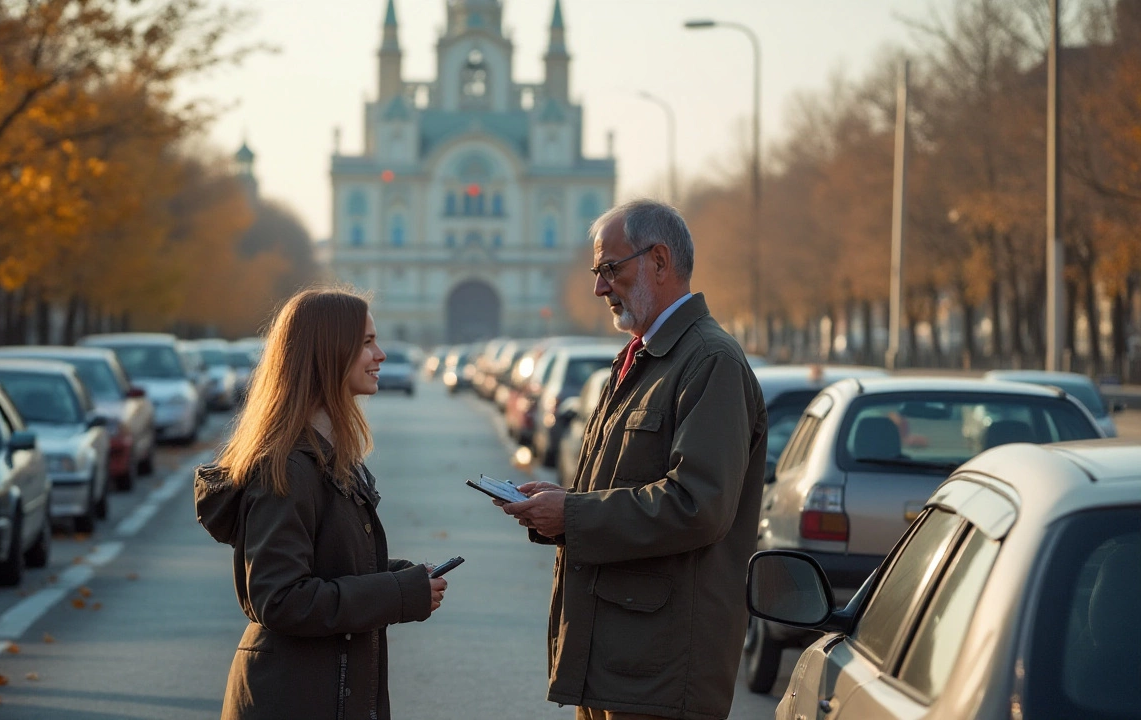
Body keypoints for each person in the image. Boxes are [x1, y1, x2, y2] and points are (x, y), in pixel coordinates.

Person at [503, 200, 768, 720]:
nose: (600, 287)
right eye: (597, 272)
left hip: (661, 676)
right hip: (621, 667)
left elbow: (698, 504)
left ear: (660, 262)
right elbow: (621, 490)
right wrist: (558, 510)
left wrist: (572, 514)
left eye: (610, 269)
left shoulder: (710, 361)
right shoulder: (644, 358)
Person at [194, 288, 447, 720]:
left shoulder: (327, 453)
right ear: (327, 352)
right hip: (292, 700)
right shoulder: (290, 467)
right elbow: (281, 597)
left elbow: (323, 567)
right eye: (366, 343)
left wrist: (398, 576)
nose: (381, 354)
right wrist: (396, 593)